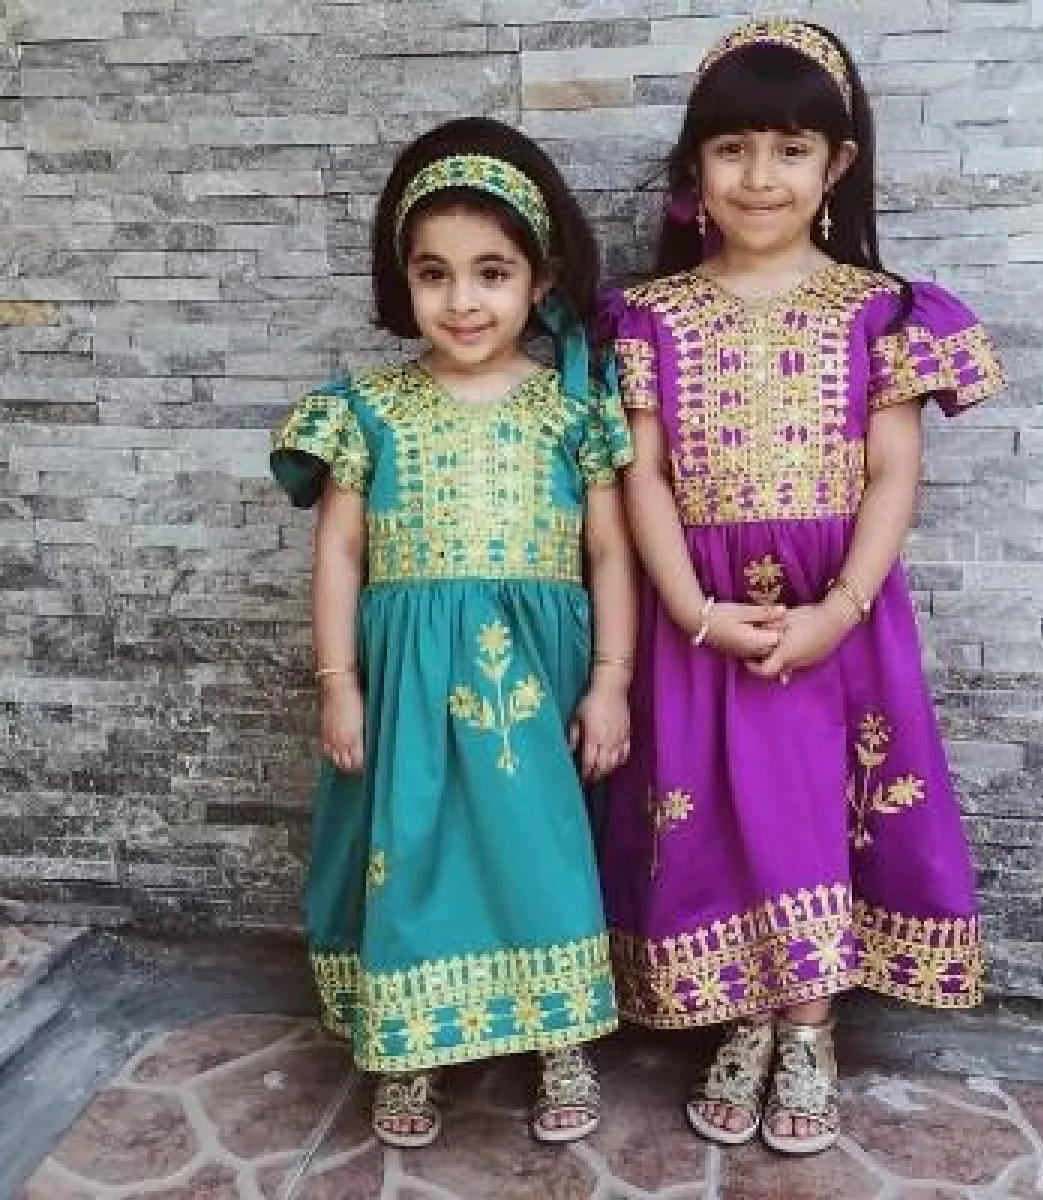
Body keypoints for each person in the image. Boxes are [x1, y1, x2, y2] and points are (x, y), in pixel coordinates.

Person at [598, 19, 1005, 1155]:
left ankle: (810, 1029)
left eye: (789, 148)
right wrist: (692, 611)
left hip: (839, 614)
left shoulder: (884, 311)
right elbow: (642, 476)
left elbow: (892, 473)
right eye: (732, 148)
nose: (759, 176)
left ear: (837, 163)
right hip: (700, 613)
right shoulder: (646, 317)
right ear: (695, 169)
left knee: (819, 809)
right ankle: (739, 1015)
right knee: (715, 812)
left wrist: (841, 609)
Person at [269, 116, 637, 1148]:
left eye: (492, 273)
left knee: (538, 847)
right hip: (408, 682)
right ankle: (408, 1041)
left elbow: (611, 554)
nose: (462, 301)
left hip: (531, 680)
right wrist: (338, 681)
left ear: (540, 278)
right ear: (406, 281)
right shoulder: (367, 411)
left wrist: (612, 680)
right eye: (435, 275)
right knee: (412, 846)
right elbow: (341, 552)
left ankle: (560, 1033)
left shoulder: (575, 410)